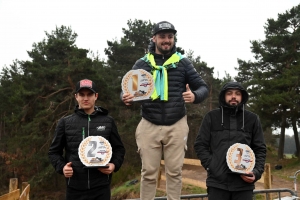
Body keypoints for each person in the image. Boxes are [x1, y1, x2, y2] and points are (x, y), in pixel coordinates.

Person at [122, 21, 209, 199]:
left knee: (175, 173)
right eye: (162, 37)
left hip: (177, 124)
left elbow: (203, 88)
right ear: (154, 38)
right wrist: (126, 98)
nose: (166, 40)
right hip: (148, 123)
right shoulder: (142, 63)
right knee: (148, 172)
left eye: (170, 36)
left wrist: (194, 96)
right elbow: (126, 90)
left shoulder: (183, 63)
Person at [48, 79, 125, 200]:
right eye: (81, 94)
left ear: (96, 96)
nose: (85, 98)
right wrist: (62, 167)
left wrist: (114, 165)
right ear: (76, 97)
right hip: (74, 188)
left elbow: (119, 149)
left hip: (101, 187)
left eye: (89, 94)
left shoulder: (108, 121)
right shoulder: (65, 122)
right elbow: (53, 152)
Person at [194, 81, 266, 200]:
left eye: (237, 93)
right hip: (217, 184)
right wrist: (212, 165)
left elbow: (260, 149)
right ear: (223, 96)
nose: (233, 96)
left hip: (244, 185)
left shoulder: (252, 119)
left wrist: (256, 172)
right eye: (229, 93)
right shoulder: (211, 117)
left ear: (242, 97)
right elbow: (200, 144)